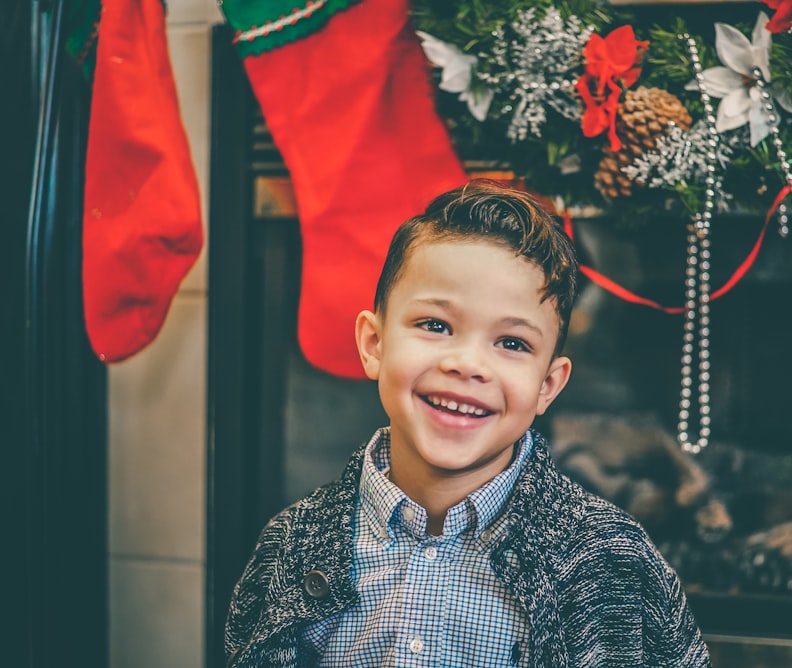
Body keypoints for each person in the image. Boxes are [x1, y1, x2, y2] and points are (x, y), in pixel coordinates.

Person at [224, 180, 712, 667]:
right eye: (435, 326)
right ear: (374, 344)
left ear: (548, 385)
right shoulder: (292, 542)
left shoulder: (609, 561)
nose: (468, 364)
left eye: (512, 343)